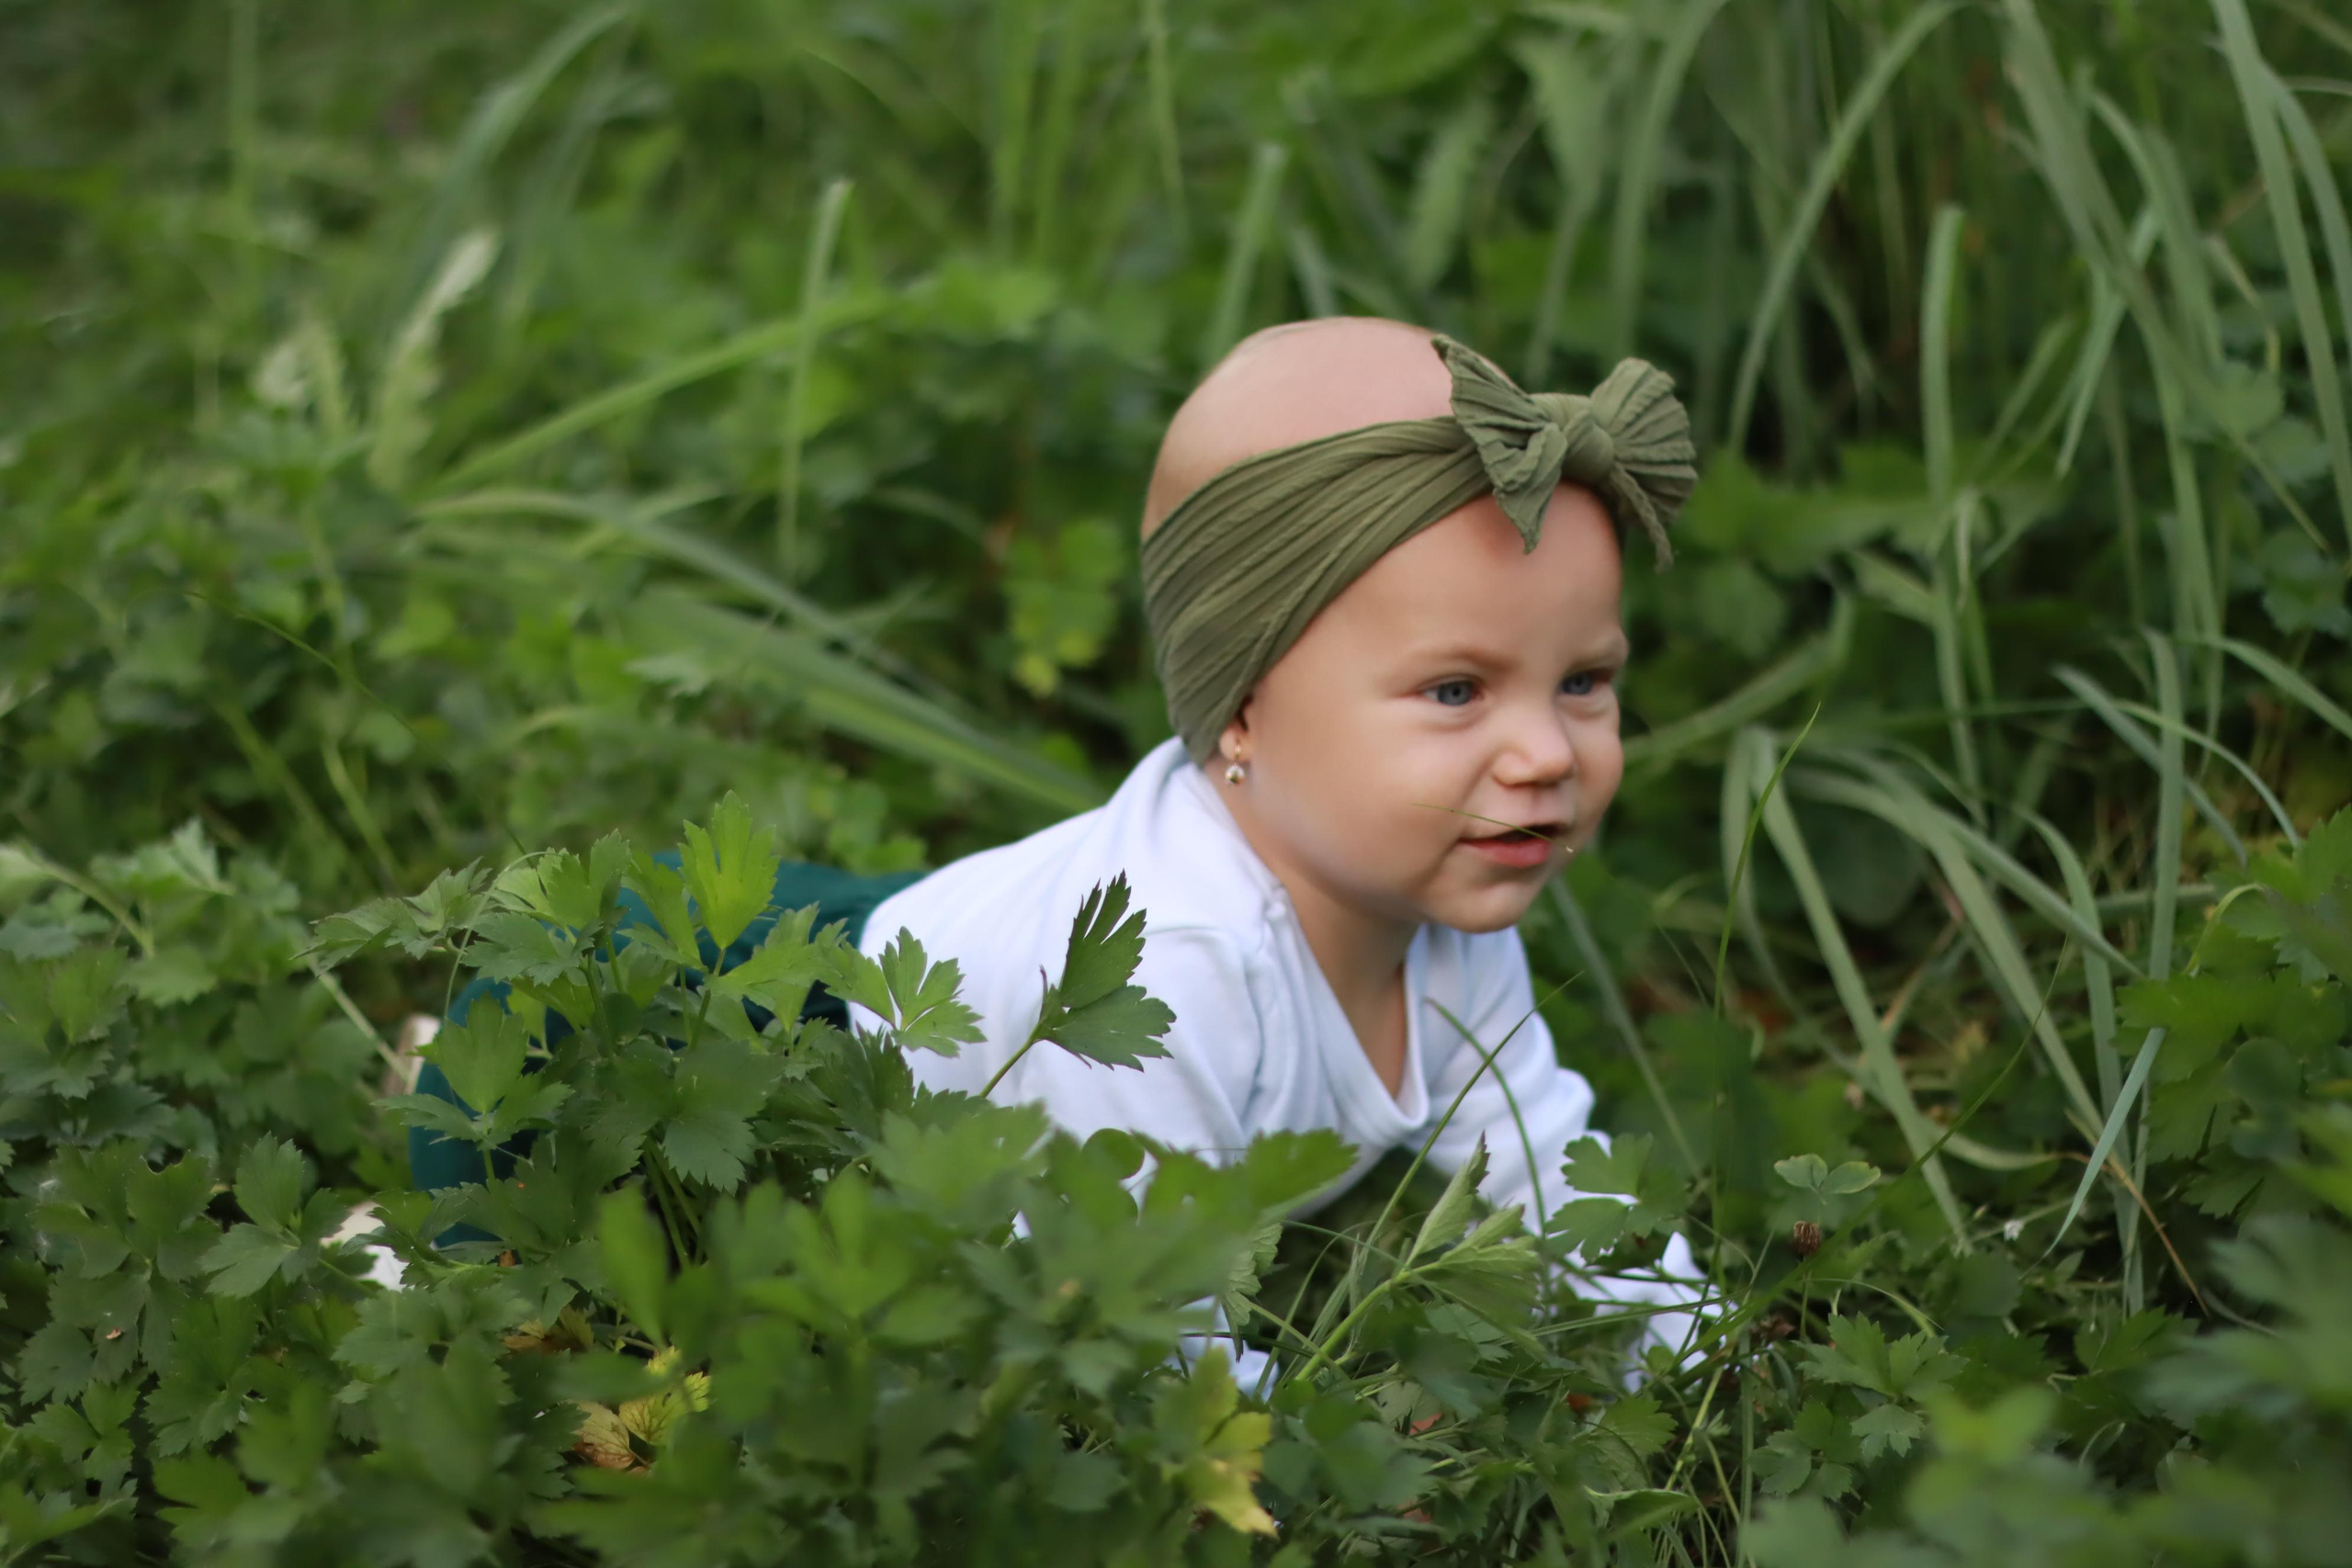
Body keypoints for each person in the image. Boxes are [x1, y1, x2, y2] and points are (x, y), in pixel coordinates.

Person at [846, 318, 1705, 1367]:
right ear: (1242, 708)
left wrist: (1702, 1361)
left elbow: (1547, 1168)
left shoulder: (1444, 922)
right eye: (1454, 690)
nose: (1542, 753)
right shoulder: (1161, 980)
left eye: (1582, 681)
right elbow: (1150, 1340)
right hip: (799, 1004)